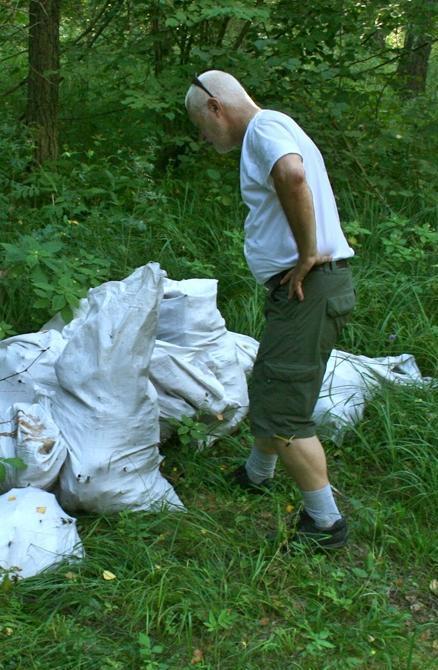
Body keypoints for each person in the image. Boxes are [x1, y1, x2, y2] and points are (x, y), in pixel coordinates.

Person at [184, 70, 356, 549]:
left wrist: (306, 254)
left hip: (309, 286)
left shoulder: (263, 128)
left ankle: (325, 523)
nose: (203, 137)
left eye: (201, 126)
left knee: (284, 410)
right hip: (304, 289)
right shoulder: (271, 128)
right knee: (271, 383)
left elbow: (292, 175)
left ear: (216, 107)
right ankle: (257, 472)